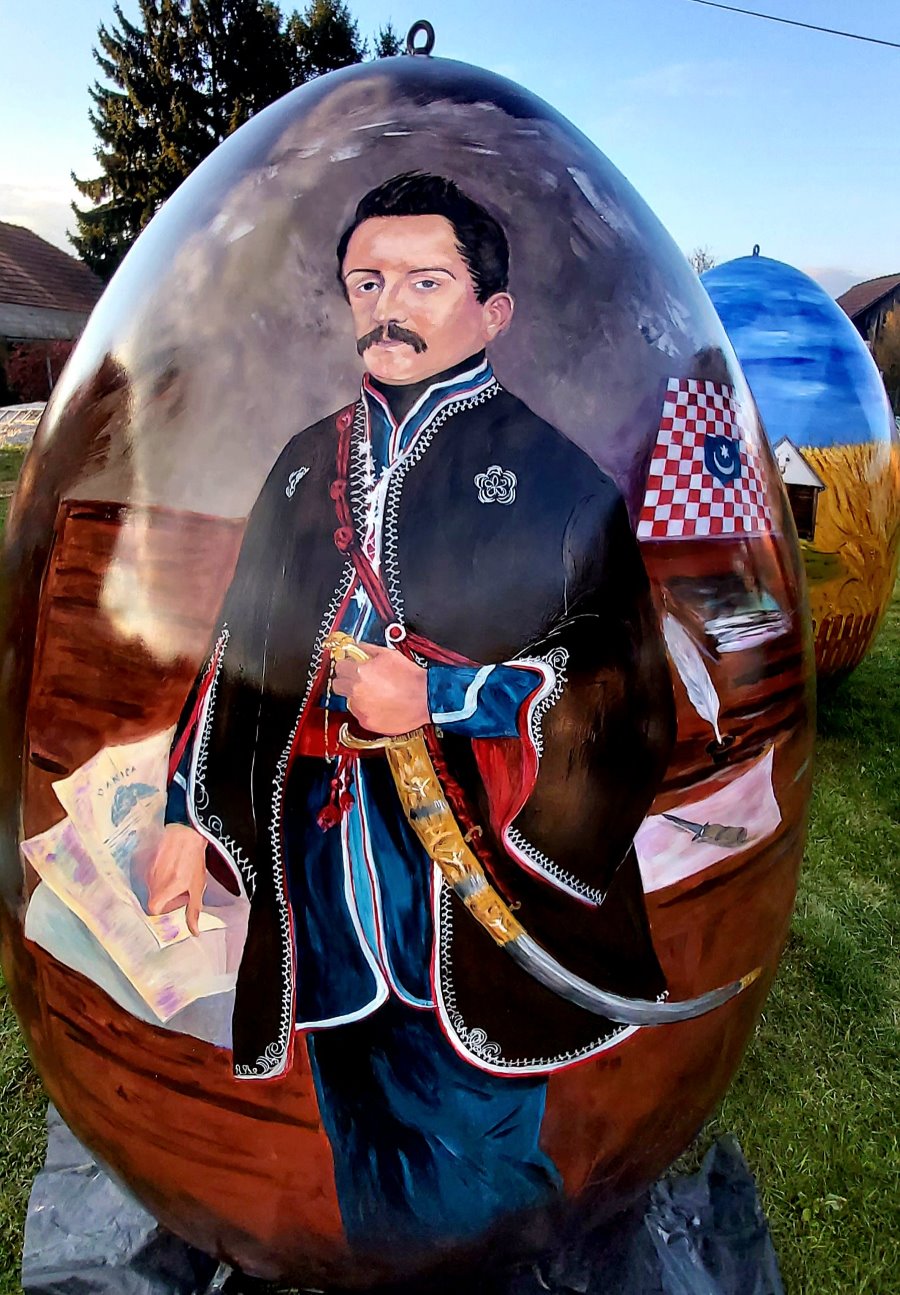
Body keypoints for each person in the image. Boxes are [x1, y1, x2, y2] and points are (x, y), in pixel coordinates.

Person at [146, 172, 675, 1250]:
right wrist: (184, 815)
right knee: (364, 1146)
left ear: (494, 311)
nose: (388, 306)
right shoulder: (304, 465)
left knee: (477, 1179)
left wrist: (435, 695)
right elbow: (239, 650)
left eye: (425, 281)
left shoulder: (561, 484)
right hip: (323, 890)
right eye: (367, 281)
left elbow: (623, 689)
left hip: (470, 901)